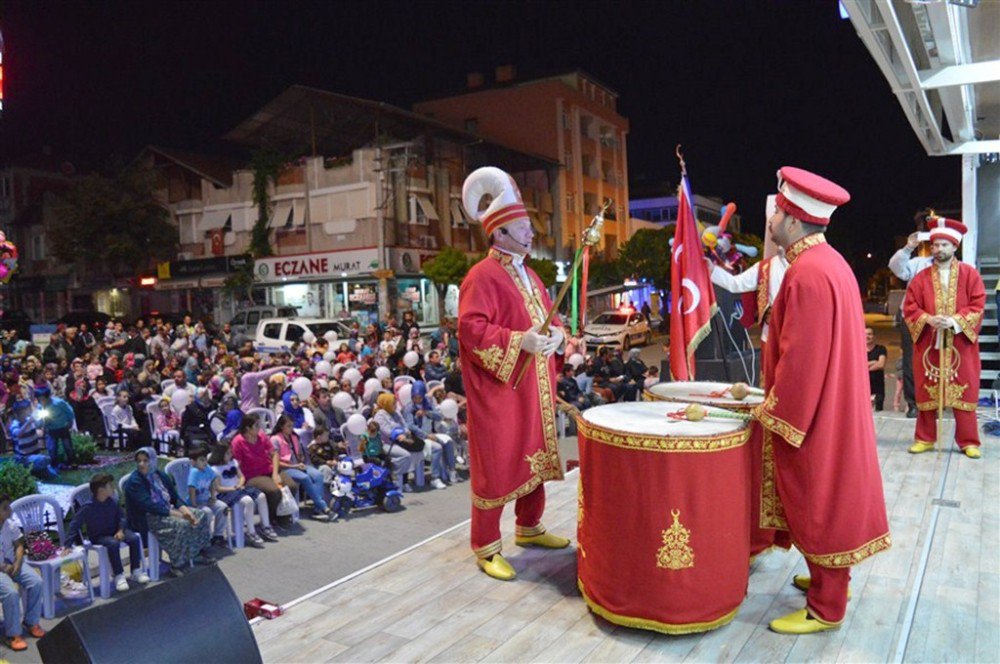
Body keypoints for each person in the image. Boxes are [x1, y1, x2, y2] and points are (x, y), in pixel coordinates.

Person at [753, 166, 890, 634]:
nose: (770, 219)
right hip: (835, 404)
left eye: (777, 211)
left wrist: (775, 412)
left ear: (793, 219)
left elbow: (801, 360)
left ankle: (826, 608)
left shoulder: (806, 272)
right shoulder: (829, 263)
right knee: (827, 497)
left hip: (815, 414)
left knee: (820, 499)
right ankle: (825, 579)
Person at [457, 166, 569, 582]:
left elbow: (546, 319)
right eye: (523, 227)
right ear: (500, 231)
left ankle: (530, 526)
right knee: (498, 463)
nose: (531, 233)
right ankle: (486, 546)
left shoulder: (531, 275)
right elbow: (471, 328)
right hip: (500, 393)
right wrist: (518, 341)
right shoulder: (481, 276)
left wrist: (557, 335)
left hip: (533, 389)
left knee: (534, 457)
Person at [902, 217, 985, 458]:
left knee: (964, 390)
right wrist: (927, 319)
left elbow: (978, 305)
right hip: (930, 343)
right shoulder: (921, 278)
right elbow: (910, 307)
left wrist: (955, 321)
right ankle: (925, 438)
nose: (939, 250)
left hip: (961, 344)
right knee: (927, 391)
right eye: (936, 245)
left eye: (944, 245)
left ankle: (969, 441)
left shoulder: (970, 275)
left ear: (955, 247)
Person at [123, 447, 213, 575]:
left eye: (145, 460)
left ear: (153, 460)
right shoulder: (135, 481)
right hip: (148, 517)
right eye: (139, 461)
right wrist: (180, 515)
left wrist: (186, 510)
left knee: (201, 515)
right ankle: (176, 564)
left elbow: (174, 497)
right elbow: (149, 506)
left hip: (167, 510)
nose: (142, 464)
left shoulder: (160, 476)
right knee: (181, 524)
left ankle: (196, 552)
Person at [68, 473, 150, 592]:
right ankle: (118, 575)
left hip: (115, 531)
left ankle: (136, 570)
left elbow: (122, 517)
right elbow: (74, 524)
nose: (113, 487)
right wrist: (67, 544)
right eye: (110, 485)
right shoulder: (88, 507)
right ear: (101, 490)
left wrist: (121, 530)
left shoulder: (112, 502)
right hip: (99, 536)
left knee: (134, 538)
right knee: (113, 543)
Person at [888, 210, 934, 418]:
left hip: (937, 320)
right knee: (910, 360)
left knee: (935, 358)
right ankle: (913, 403)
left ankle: (934, 400)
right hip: (912, 318)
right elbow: (896, 267)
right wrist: (909, 246)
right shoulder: (918, 263)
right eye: (935, 243)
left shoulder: (955, 268)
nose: (939, 248)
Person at [0, 494, 45, 651]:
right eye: (5, 508)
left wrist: (18, 563)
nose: (10, 511)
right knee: (11, 593)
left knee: (36, 581)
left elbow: (19, 545)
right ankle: (12, 634)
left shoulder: (9, 525)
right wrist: (4, 568)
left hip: (13, 564)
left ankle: (31, 621)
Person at [209, 443, 274, 544]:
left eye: (231, 452)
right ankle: (251, 531)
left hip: (238, 489)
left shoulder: (233, 463)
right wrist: (233, 488)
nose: (230, 455)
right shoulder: (214, 469)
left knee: (261, 496)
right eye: (227, 453)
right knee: (248, 501)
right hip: (226, 493)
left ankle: (265, 526)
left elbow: (242, 477)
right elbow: (219, 488)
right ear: (220, 454)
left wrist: (239, 484)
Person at [270, 415, 332, 520]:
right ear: (281, 426)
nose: (291, 429)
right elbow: (276, 462)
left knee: (318, 475)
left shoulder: (294, 437)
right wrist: (294, 466)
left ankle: (317, 510)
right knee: (305, 478)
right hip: (286, 468)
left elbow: (300, 454)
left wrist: (301, 458)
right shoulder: (275, 439)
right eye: (288, 426)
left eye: (292, 426)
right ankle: (324, 507)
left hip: (299, 465)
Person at [186, 446, 230, 544]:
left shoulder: (207, 469)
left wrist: (213, 496)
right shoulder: (194, 472)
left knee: (223, 508)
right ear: (193, 462)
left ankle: (218, 534)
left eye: (205, 459)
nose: (205, 462)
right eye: (201, 460)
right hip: (195, 502)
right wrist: (194, 504)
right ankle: (205, 537)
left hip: (206, 499)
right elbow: (191, 488)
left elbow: (213, 480)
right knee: (207, 512)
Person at [8, 399, 57, 478]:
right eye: (24, 411)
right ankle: (31, 470)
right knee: (44, 460)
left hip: (35, 454)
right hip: (24, 458)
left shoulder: (29, 420)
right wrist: (29, 422)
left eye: (27, 410)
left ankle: (39, 471)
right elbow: (18, 434)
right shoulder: (15, 424)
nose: (26, 413)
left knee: (52, 473)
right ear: (17, 413)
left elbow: (40, 424)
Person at [35, 384, 77, 468]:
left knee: (67, 445)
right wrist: (42, 422)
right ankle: (54, 463)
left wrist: (70, 421)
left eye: (43, 399)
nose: (42, 402)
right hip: (51, 429)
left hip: (63, 427)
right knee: (52, 447)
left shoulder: (58, 403)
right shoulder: (40, 407)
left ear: (48, 397)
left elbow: (69, 411)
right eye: (40, 400)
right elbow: (39, 420)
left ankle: (72, 461)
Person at [865, 327, 887, 411]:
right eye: (865, 334)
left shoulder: (881, 349)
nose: (867, 336)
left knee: (878, 412)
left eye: (869, 334)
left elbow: (881, 364)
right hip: (863, 388)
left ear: (874, 336)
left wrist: (864, 369)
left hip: (878, 388)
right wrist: (873, 362)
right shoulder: (858, 350)